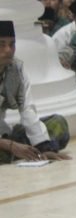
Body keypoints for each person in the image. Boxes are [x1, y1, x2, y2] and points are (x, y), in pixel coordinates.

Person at [0, 21, 70, 163]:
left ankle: (26, 151)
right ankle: (16, 151)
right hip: (3, 141)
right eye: (1, 44)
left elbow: (27, 109)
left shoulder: (16, 69)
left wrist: (42, 146)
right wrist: (10, 145)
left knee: (58, 124)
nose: (8, 50)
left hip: (4, 134)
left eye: (12, 44)